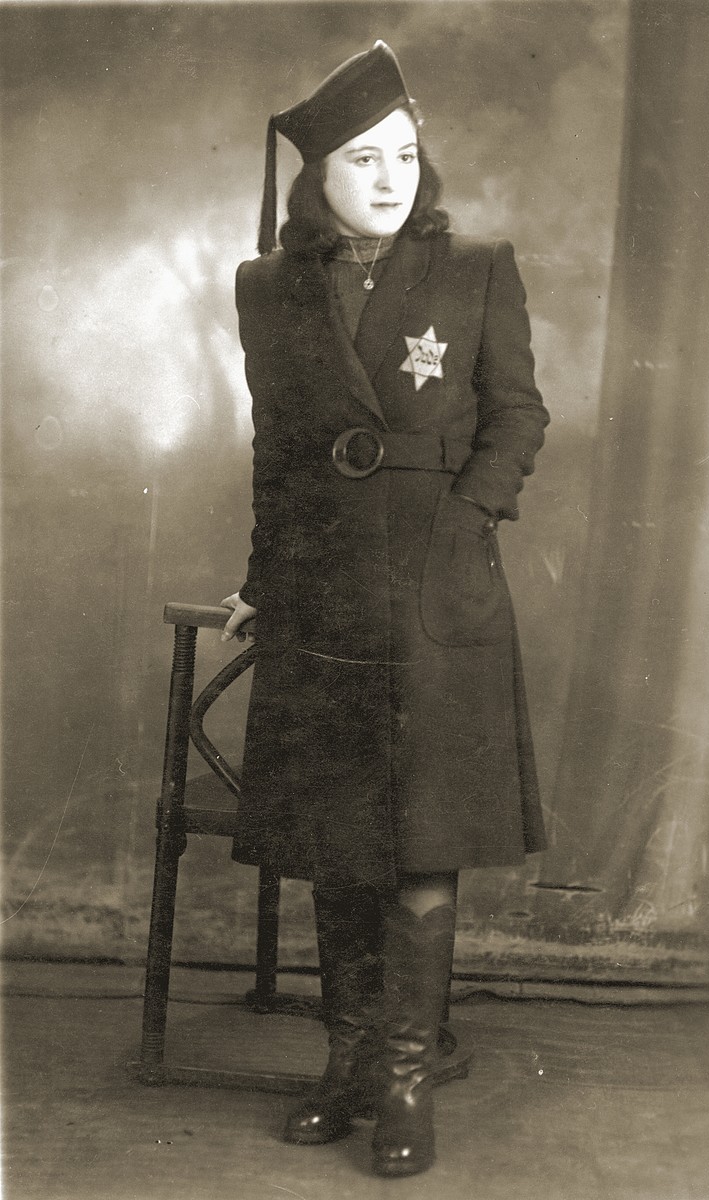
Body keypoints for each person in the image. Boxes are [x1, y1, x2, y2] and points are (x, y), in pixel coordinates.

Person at [220, 40, 549, 1178]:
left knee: (418, 852)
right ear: (317, 176)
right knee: (334, 847)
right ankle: (347, 1063)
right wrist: (263, 581)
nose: (389, 177)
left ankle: (406, 1081)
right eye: (362, 159)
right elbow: (275, 449)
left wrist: (462, 530)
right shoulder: (266, 287)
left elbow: (518, 417)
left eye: (405, 155)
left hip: (435, 599)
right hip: (320, 597)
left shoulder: (475, 268)